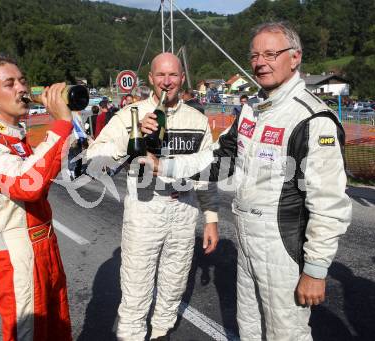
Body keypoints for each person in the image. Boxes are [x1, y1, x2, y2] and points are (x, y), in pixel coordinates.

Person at [147, 22, 352, 341]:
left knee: (287, 334)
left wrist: (315, 269)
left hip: (283, 247)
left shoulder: (313, 119)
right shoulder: (251, 110)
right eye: (255, 55)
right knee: (250, 329)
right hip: (246, 240)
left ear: (295, 57)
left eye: (271, 53)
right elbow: (218, 160)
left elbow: (329, 204)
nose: (260, 62)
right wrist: (169, 166)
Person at [87, 52, 219, 340]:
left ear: (183, 79)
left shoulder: (196, 119)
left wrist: (210, 218)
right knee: (136, 284)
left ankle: (161, 332)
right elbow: (95, 156)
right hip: (145, 208)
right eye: (161, 75)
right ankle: (131, 335)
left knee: (175, 280)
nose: (167, 82)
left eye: (173, 75)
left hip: (184, 207)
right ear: (151, 79)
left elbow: (206, 172)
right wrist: (131, 136)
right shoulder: (130, 114)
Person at [0, 56, 73, 341]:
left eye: (22, 80)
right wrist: (60, 124)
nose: (21, 88)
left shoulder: (15, 137)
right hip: (16, 253)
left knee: (58, 328)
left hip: (44, 245)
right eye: (9, 83)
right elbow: (27, 185)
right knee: (29, 334)